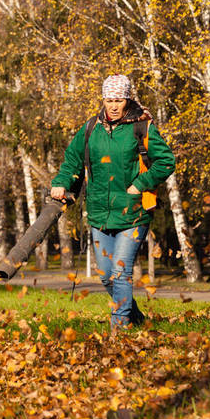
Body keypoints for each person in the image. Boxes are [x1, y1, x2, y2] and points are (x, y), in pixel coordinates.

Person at [50, 74, 176, 329]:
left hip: (133, 213)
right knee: (106, 275)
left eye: (119, 100)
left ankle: (119, 329)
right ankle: (136, 318)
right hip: (99, 214)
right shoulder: (90, 129)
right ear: (103, 100)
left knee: (120, 272)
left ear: (128, 100)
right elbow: (72, 161)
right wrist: (61, 182)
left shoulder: (142, 127)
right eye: (109, 100)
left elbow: (166, 162)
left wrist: (140, 184)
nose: (114, 106)